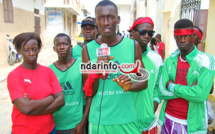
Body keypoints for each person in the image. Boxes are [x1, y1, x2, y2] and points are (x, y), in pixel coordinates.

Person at [82, 0, 148, 133]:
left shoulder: (133, 46)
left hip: (127, 120)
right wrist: (97, 71)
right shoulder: (87, 49)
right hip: (100, 122)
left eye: (110, 17)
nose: (106, 22)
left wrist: (130, 86)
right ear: (96, 22)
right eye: (101, 18)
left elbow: (144, 82)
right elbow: (90, 92)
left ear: (118, 19)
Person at [158, 19, 215, 134]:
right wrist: (190, 90)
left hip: (193, 125)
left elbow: (200, 95)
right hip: (168, 119)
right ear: (174, 37)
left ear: (193, 36)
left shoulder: (206, 60)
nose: (182, 40)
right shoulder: (170, 60)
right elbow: (161, 91)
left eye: (186, 36)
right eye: (179, 37)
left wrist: (172, 86)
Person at [7, 32, 65, 134]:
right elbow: (25, 108)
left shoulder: (48, 72)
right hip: (23, 131)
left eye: (34, 49)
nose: (31, 53)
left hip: (49, 130)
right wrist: (50, 98)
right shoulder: (15, 75)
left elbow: (60, 100)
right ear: (19, 51)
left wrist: (33, 109)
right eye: (26, 50)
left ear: (39, 49)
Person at [130, 17, 163, 134]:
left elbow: (158, 86)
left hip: (149, 123)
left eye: (150, 33)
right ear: (132, 32)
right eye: (143, 32)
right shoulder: (123, 57)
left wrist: (154, 104)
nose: (147, 36)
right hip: (127, 124)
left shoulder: (156, 59)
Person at [49, 33, 87, 134]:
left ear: (71, 47)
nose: (62, 47)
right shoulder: (49, 70)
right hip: (55, 124)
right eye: (58, 44)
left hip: (76, 123)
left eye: (65, 44)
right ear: (54, 48)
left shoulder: (81, 67)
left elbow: (89, 95)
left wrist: (83, 122)